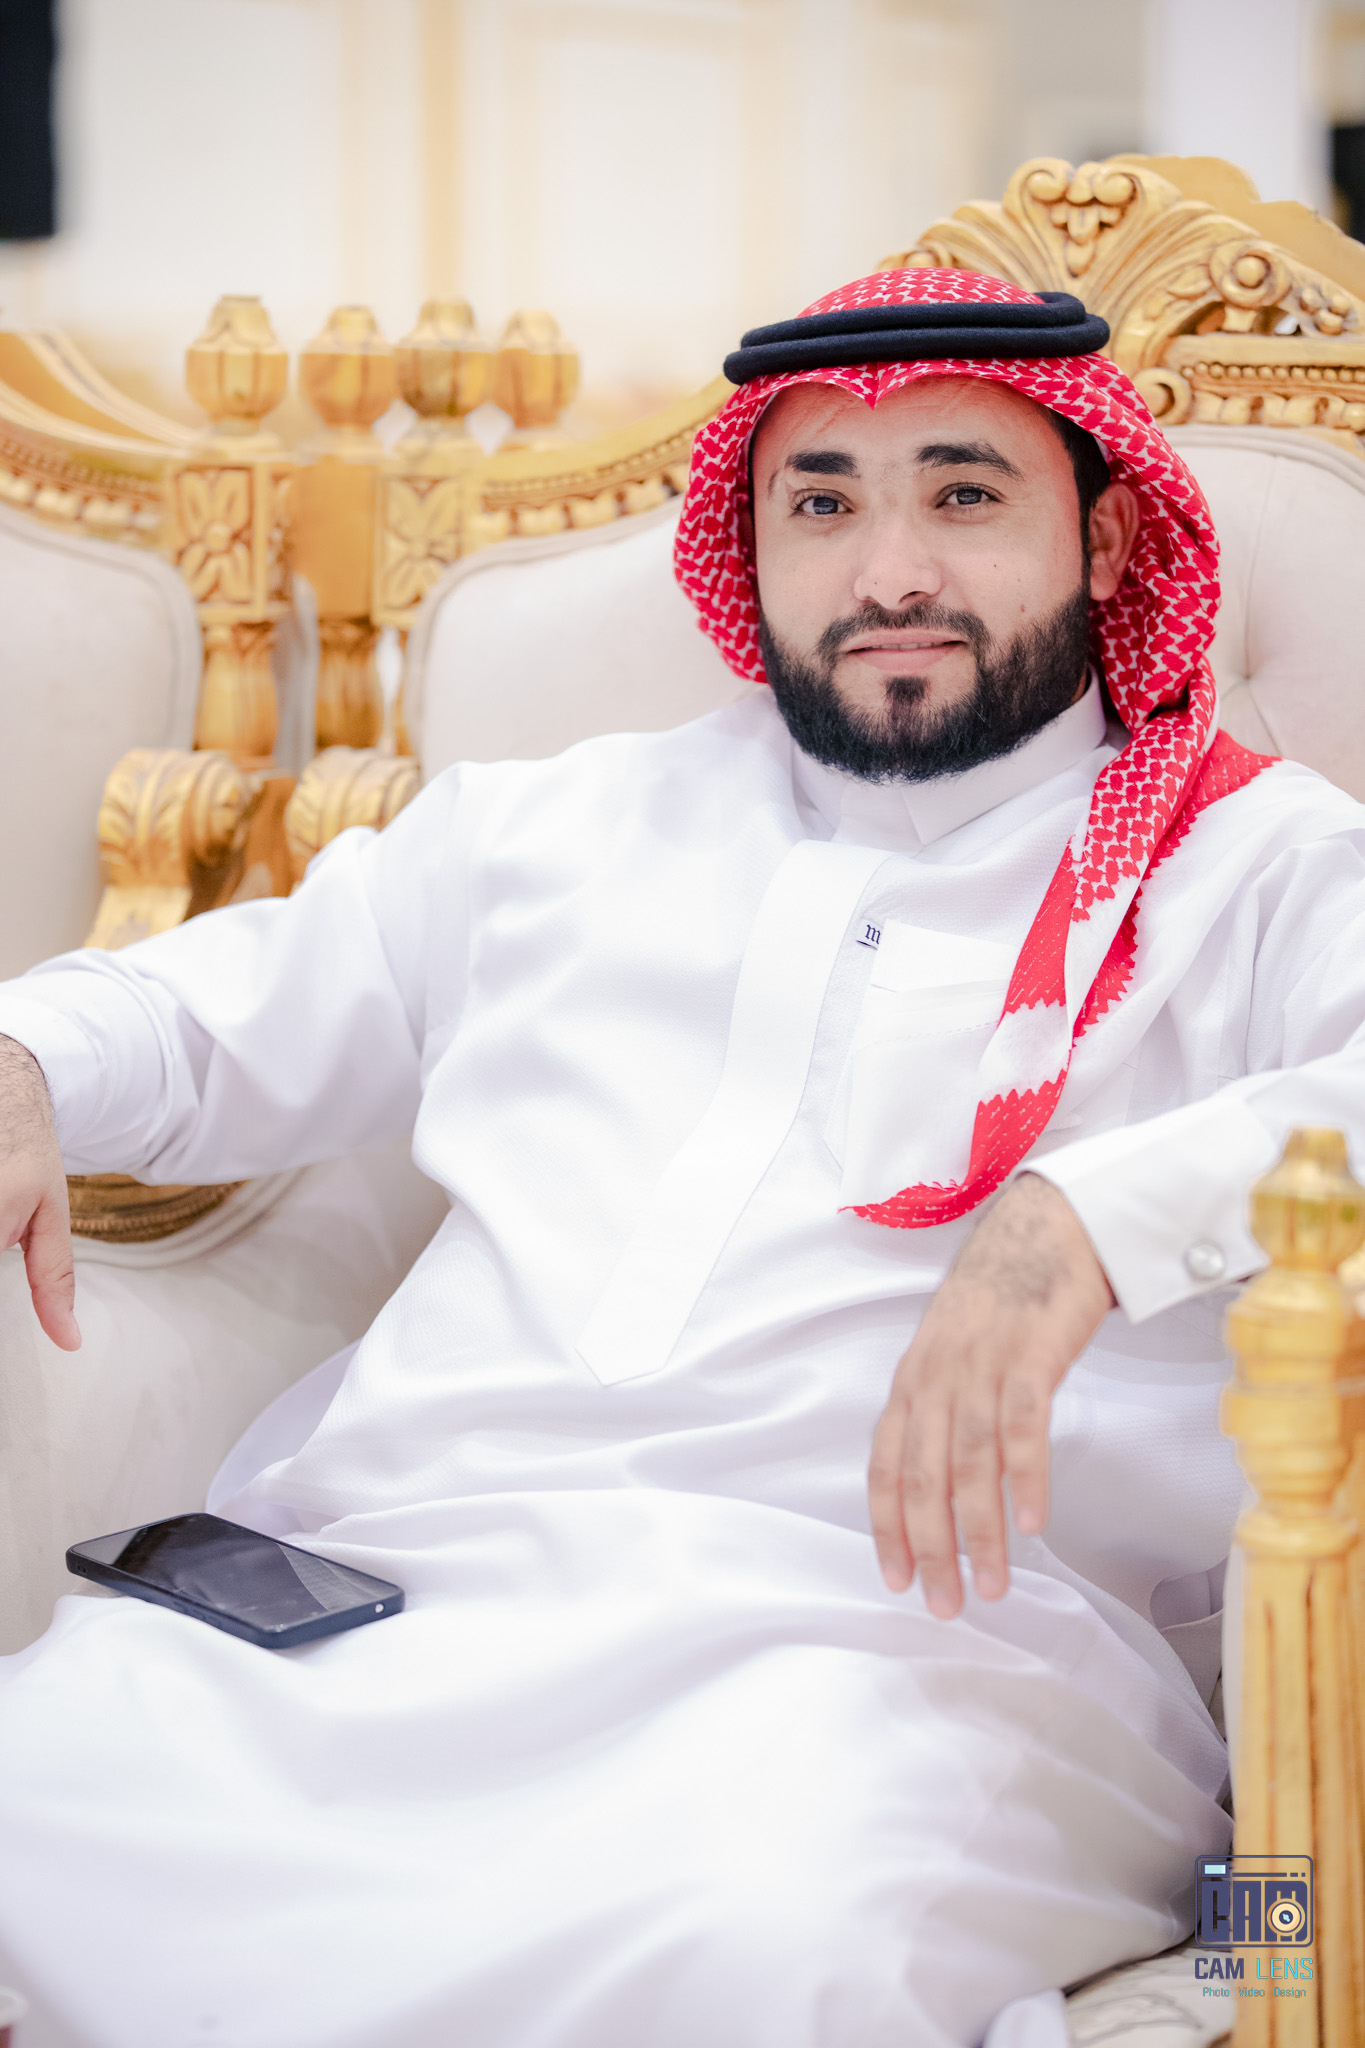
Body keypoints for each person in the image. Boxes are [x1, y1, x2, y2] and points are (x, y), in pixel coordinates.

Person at [0, 265, 1362, 2048]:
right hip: (391, 1603)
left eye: (963, 495)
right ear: (753, 546)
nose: (889, 572)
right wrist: (26, 1059)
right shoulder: (553, 826)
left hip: (898, 1659)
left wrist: (1088, 1220)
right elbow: (196, 1024)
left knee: (746, 1947)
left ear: (1105, 542)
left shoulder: (1249, 868)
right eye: (823, 505)